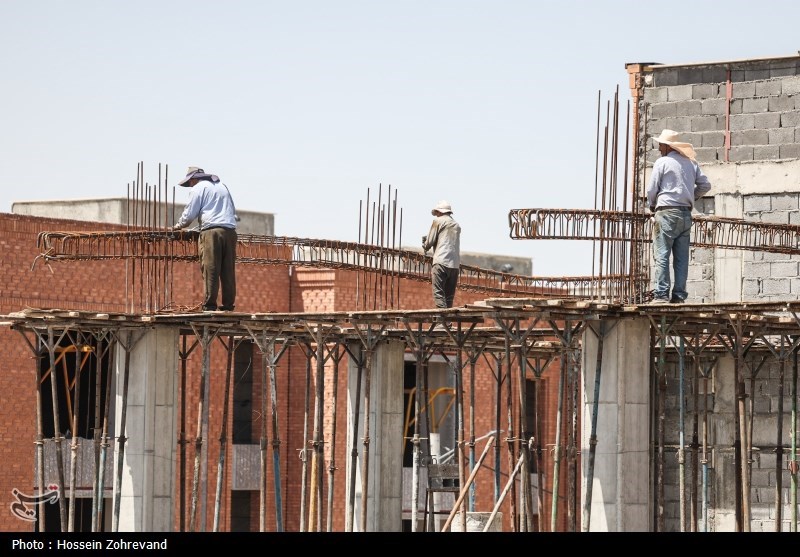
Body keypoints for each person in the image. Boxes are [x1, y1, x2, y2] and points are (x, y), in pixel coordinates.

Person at [646, 130, 712, 304]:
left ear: (668, 147)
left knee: (661, 255)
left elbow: (652, 189)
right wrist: (691, 196)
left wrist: (652, 205)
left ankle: (661, 295)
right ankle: (679, 296)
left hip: (666, 213)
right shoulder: (691, 163)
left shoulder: (662, 162)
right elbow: (705, 185)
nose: (659, 148)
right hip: (685, 214)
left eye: (661, 145)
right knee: (681, 258)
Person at [172, 167, 239, 312]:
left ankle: (209, 306)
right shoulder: (222, 187)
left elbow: (189, 215)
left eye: (189, 182)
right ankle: (228, 306)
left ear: (194, 179)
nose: (190, 185)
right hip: (230, 231)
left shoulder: (198, 188)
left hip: (212, 233)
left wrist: (177, 226)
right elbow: (232, 211)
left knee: (211, 268)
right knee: (228, 270)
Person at [422, 200, 461, 309]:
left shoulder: (438, 221)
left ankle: (443, 322)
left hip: (441, 262)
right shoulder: (456, 225)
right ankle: (447, 322)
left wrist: (425, 244)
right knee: (449, 296)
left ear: (439, 212)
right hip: (454, 265)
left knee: (438, 292)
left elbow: (429, 242)